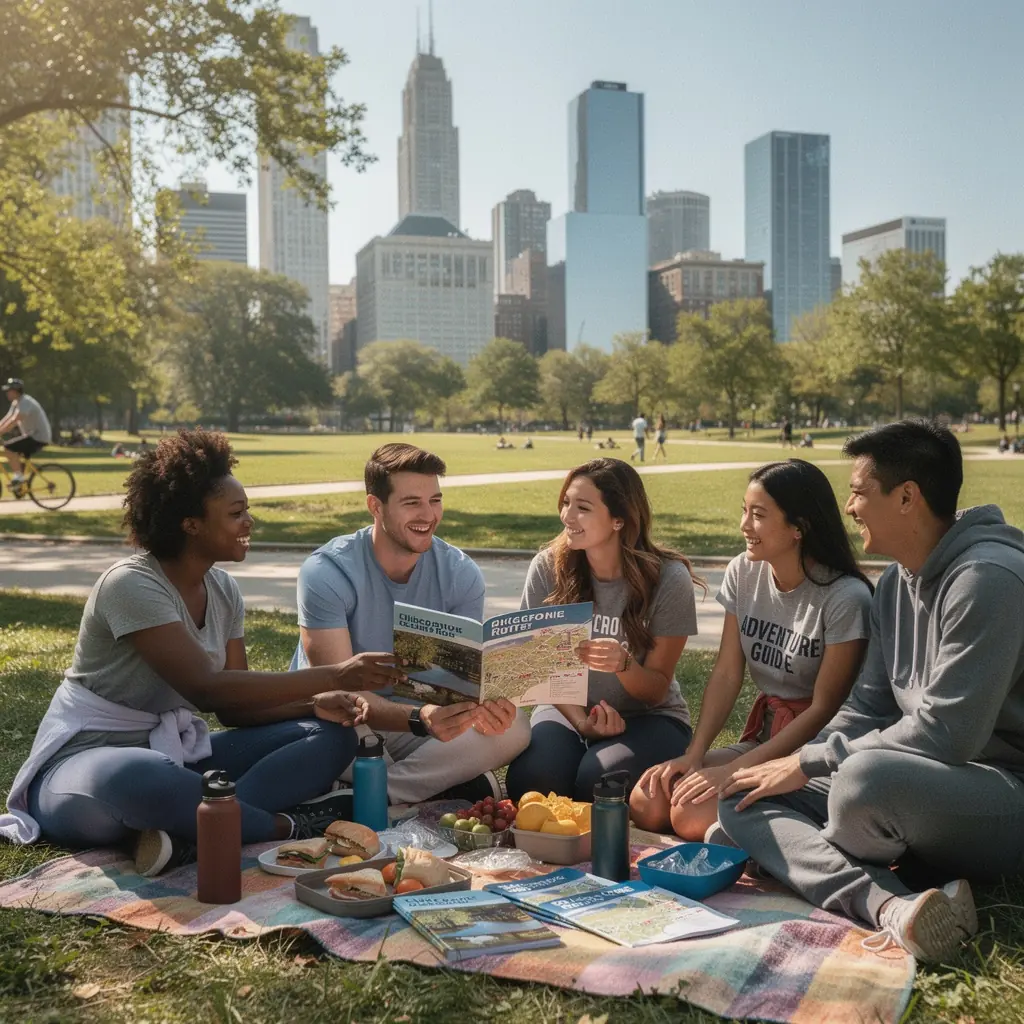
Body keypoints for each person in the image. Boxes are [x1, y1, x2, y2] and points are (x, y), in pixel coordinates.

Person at [0, 430, 389, 876]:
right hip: (85, 769)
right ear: (191, 524)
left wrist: (314, 705)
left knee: (330, 735)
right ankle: (286, 828)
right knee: (143, 775)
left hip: (175, 756)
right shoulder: (130, 584)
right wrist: (336, 675)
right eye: (236, 513)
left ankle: (192, 834)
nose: (249, 523)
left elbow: (235, 708)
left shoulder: (223, 589)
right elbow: (206, 688)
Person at [717, 420, 1024, 964]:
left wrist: (813, 762)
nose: (850, 507)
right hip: (915, 780)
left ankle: (805, 853)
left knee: (861, 783)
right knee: (741, 795)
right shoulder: (894, 586)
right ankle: (893, 906)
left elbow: (947, 734)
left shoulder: (989, 577)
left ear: (907, 497)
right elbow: (868, 709)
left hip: (1002, 788)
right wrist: (796, 765)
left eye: (859, 491)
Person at [630, 460, 873, 840]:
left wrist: (733, 770)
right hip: (766, 739)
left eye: (758, 515)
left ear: (799, 527)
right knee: (649, 800)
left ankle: (789, 831)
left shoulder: (846, 597)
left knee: (691, 815)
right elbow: (727, 674)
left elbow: (824, 709)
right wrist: (696, 754)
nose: (744, 525)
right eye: (744, 511)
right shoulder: (744, 571)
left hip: (814, 753)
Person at [290, 443, 530, 805]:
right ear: (376, 506)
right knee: (336, 734)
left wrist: (484, 709)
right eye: (412, 502)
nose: (428, 515)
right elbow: (338, 693)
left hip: (420, 720)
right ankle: (429, 787)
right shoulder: (326, 572)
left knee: (516, 729)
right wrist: (423, 718)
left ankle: (374, 794)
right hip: (346, 721)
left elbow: (456, 686)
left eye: (435, 500)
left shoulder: (460, 573)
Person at [505, 458, 700, 803]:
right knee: (532, 782)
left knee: (599, 781)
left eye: (582, 508)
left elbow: (656, 689)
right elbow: (542, 671)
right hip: (567, 710)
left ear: (618, 519)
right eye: (566, 503)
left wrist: (623, 665)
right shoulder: (548, 568)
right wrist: (582, 723)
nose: (567, 516)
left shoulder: (669, 578)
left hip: (649, 717)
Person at [0, 378, 52, 490]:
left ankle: (18, 478)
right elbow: (6, 419)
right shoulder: (16, 403)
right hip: (31, 436)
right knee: (14, 454)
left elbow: (14, 420)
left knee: (8, 448)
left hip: (38, 437)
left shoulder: (25, 402)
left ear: (15, 391)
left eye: (9, 390)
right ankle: (19, 484)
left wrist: (1, 431)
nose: (7, 393)